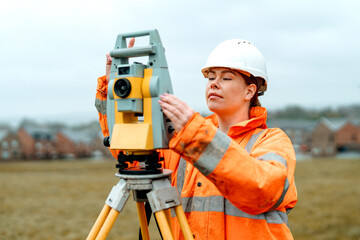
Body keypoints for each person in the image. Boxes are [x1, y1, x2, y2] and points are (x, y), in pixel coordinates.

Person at [95, 38, 297, 239]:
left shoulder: (271, 141)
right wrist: (115, 91)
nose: (215, 84)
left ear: (250, 91)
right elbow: (129, 152)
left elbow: (262, 190)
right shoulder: (186, 140)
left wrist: (195, 134)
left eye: (226, 78)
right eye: (211, 78)